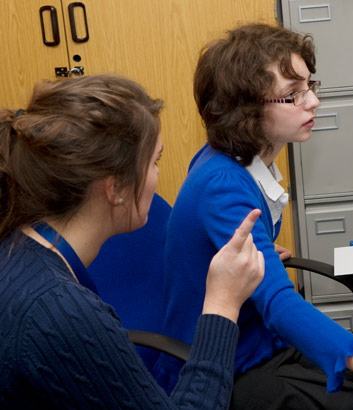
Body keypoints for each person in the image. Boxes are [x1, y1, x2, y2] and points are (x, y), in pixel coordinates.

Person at [0, 73, 265, 408]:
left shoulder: (19, 249)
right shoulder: (61, 313)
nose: (157, 175)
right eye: (154, 162)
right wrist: (222, 305)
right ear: (115, 190)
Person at [156, 23, 353, 409]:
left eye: (308, 87)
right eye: (293, 95)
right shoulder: (223, 182)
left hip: (256, 342)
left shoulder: (240, 158)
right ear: (247, 110)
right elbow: (279, 303)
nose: (313, 102)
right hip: (226, 365)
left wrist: (262, 250)